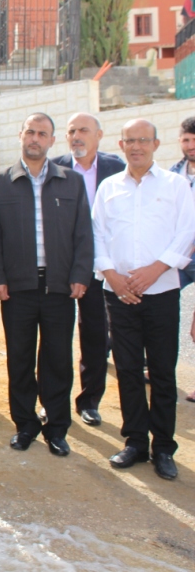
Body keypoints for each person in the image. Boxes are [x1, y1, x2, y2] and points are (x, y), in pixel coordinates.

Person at [0, 113, 93, 457]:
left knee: (58, 360)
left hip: (59, 288)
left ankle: (57, 428)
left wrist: (80, 274)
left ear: (52, 141)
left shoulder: (71, 182)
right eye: (30, 132)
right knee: (20, 359)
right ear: (21, 135)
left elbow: (83, 233)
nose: (35, 138)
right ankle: (25, 425)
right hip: (17, 290)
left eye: (42, 133)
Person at [92, 119, 195, 480]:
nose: (136, 146)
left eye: (143, 140)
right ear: (121, 145)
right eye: (130, 140)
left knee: (163, 372)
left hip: (161, 290)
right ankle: (135, 441)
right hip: (118, 294)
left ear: (156, 144)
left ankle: (163, 447)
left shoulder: (175, 185)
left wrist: (157, 268)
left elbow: (187, 231)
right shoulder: (108, 187)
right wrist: (111, 275)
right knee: (128, 369)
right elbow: (96, 233)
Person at [50, 113, 125, 425]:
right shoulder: (53, 168)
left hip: (100, 265)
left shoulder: (115, 168)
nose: (76, 136)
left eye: (83, 130)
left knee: (95, 334)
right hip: (61, 266)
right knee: (55, 336)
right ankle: (52, 401)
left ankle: (89, 401)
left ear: (99, 135)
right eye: (71, 131)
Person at [168, 117, 195, 403]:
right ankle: (160, 368)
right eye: (186, 140)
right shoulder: (173, 176)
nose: (191, 146)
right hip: (179, 256)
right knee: (162, 310)